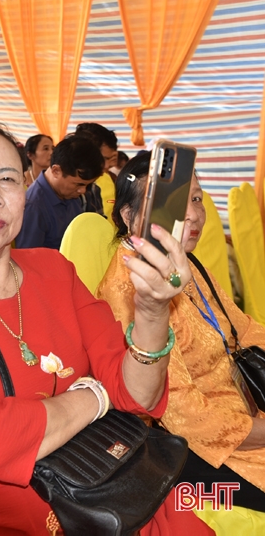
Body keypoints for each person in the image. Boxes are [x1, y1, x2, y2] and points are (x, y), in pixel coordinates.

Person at [0, 122, 214, 534]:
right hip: (11, 517)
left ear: (25, 190)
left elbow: (138, 395)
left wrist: (151, 310)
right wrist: (96, 394)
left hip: (109, 490)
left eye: (7, 179)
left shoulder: (55, 271)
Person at [97, 152, 265, 511]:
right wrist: (258, 433)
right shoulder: (128, 290)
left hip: (242, 404)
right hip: (192, 444)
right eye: (172, 203)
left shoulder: (185, 263)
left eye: (196, 198)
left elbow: (242, 327)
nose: (193, 213)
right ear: (130, 217)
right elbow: (178, 412)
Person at [14, 134, 103, 250]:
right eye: (78, 184)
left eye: (87, 185)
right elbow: (28, 261)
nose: (83, 191)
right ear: (56, 171)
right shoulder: (34, 206)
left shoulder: (71, 195)